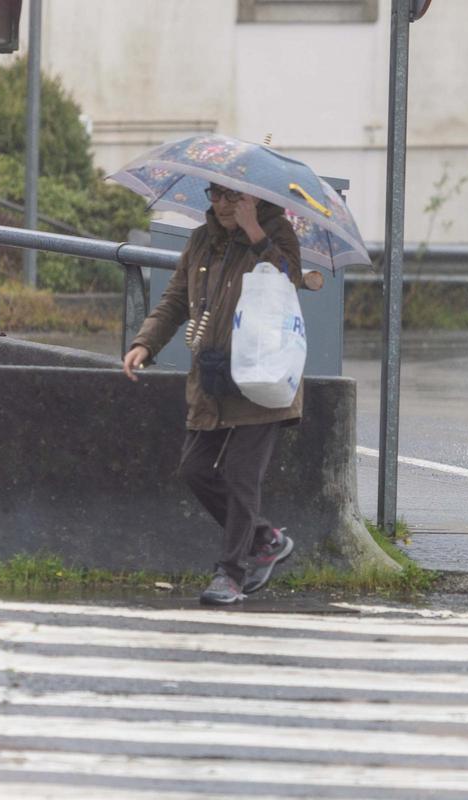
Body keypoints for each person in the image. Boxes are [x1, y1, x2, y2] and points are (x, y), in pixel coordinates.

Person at [122, 183, 302, 605]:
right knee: (195, 469)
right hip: (213, 375)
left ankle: (231, 573)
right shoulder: (202, 239)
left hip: (263, 375)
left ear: (253, 197)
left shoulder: (277, 232)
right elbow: (176, 298)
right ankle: (265, 539)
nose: (221, 204)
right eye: (215, 194)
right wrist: (145, 343)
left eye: (231, 196)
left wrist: (255, 231)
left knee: (241, 475)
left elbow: (290, 281)